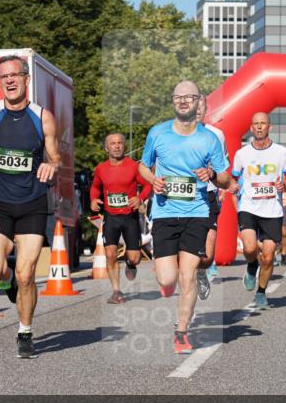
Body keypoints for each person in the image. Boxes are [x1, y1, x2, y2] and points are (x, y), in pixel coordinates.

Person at [0, 55, 62, 359]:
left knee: (26, 272)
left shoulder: (42, 116)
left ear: (26, 79)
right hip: (1, 207)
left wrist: (51, 165)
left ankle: (25, 331)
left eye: (15, 75)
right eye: (4, 77)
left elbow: (56, 157)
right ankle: (9, 286)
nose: (9, 81)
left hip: (33, 205)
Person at [137, 81, 230, 355]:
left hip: (197, 213)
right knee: (167, 279)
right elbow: (142, 166)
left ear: (197, 101)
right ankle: (167, 283)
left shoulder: (209, 139)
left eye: (189, 97)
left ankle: (181, 331)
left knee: (187, 276)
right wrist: (153, 179)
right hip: (165, 212)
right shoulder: (158, 133)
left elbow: (225, 179)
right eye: (178, 97)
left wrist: (212, 175)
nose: (183, 101)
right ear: (173, 101)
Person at [232, 112, 286, 309]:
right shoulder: (242, 154)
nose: (259, 127)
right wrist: (233, 187)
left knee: (268, 256)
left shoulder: (282, 152)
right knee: (250, 248)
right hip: (249, 206)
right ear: (251, 128)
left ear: (270, 127)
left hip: (272, 210)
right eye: (256, 124)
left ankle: (261, 292)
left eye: (263, 124)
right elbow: (233, 178)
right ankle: (251, 265)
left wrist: (283, 184)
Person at [90, 132, 152, 304]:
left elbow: (148, 185)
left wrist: (140, 199)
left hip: (129, 217)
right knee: (110, 254)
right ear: (106, 148)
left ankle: (130, 263)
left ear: (124, 146)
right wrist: (93, 200)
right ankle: (116, 291)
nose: (117, 146)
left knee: (135, 258)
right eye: (113, 143)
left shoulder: (134, 166)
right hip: (110, 217)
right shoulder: (101, 168)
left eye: (120, 143)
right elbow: (95, 187)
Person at [194, 95, 231, 298]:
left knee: (207, 257)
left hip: (207, 195)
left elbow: (223, 168)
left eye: (202, 106)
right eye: (194, 105)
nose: (198, 109)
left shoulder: (217, 134)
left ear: (207, 108)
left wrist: (222, 186)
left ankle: (202, 270)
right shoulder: (172, 133)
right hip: (181, 199)